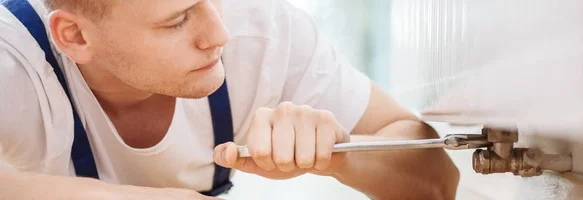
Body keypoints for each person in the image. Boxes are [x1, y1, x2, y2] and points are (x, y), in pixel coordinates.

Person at [0, 0, 459, 199]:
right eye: (176, 20)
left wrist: (339, 155)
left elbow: (437, 184)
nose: (219, 34)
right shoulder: (12, 59)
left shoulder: (265, 33)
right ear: (75, 36)